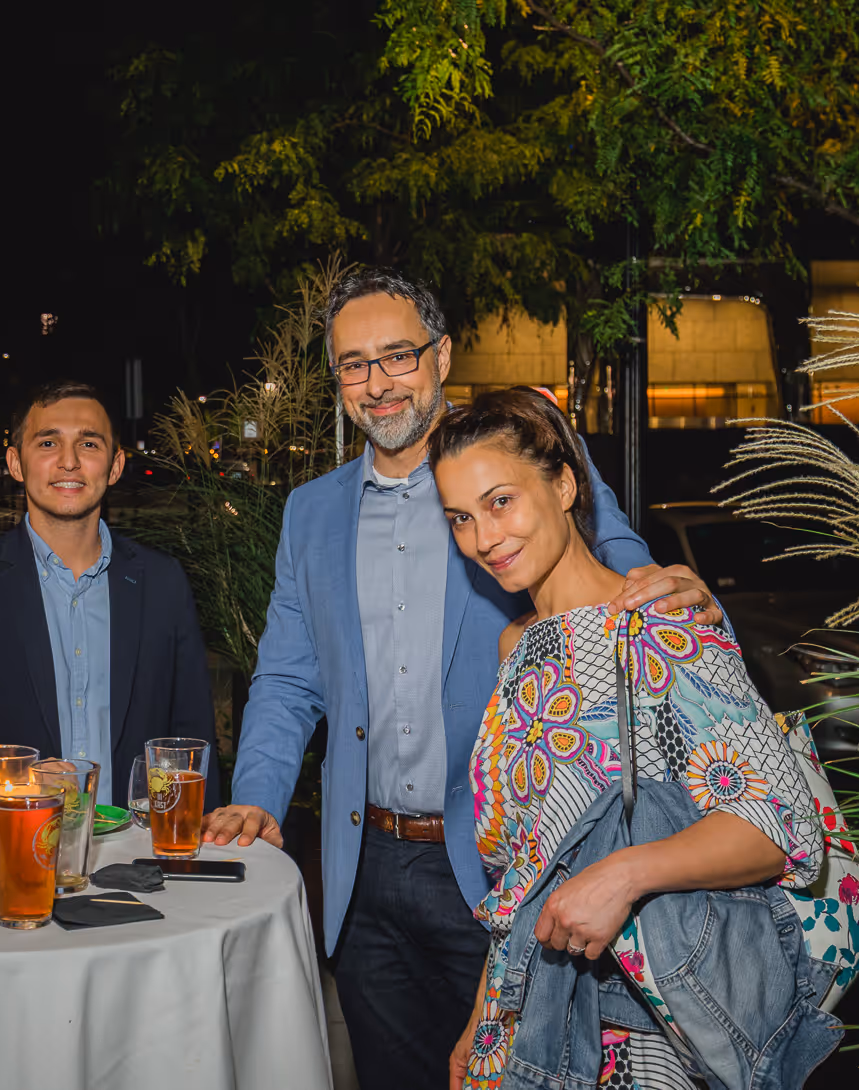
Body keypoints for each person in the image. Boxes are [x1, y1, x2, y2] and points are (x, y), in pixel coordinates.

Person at [203, 268, 723, 1090]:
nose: (376, 385)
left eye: (397, 355)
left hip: (500, 864)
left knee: (519, 1075)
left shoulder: (513, 473)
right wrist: (259, 799)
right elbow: (288, 677)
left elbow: (613, 569)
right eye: (352, 364)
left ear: (442, 355)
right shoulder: (311, 512)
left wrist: (674, 596)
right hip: (363, 867)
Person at [430, 388, 824, 1088]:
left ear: (563, 483)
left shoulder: (658, 621)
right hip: (526, 1017)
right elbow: (529, 864)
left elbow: (780, 824)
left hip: (634, 1030)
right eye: (460, 518)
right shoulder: (516, 645)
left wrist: (622, 874)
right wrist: (480, 1018)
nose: (483, 538)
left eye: (500, 502)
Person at [0, 381, 219, 808]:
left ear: (115, 466)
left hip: (136, 856)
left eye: (89, 444)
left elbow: (193, 736)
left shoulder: (163, 583)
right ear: (16, 463)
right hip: (8, 851)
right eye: (48, 442)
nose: (68, 462)